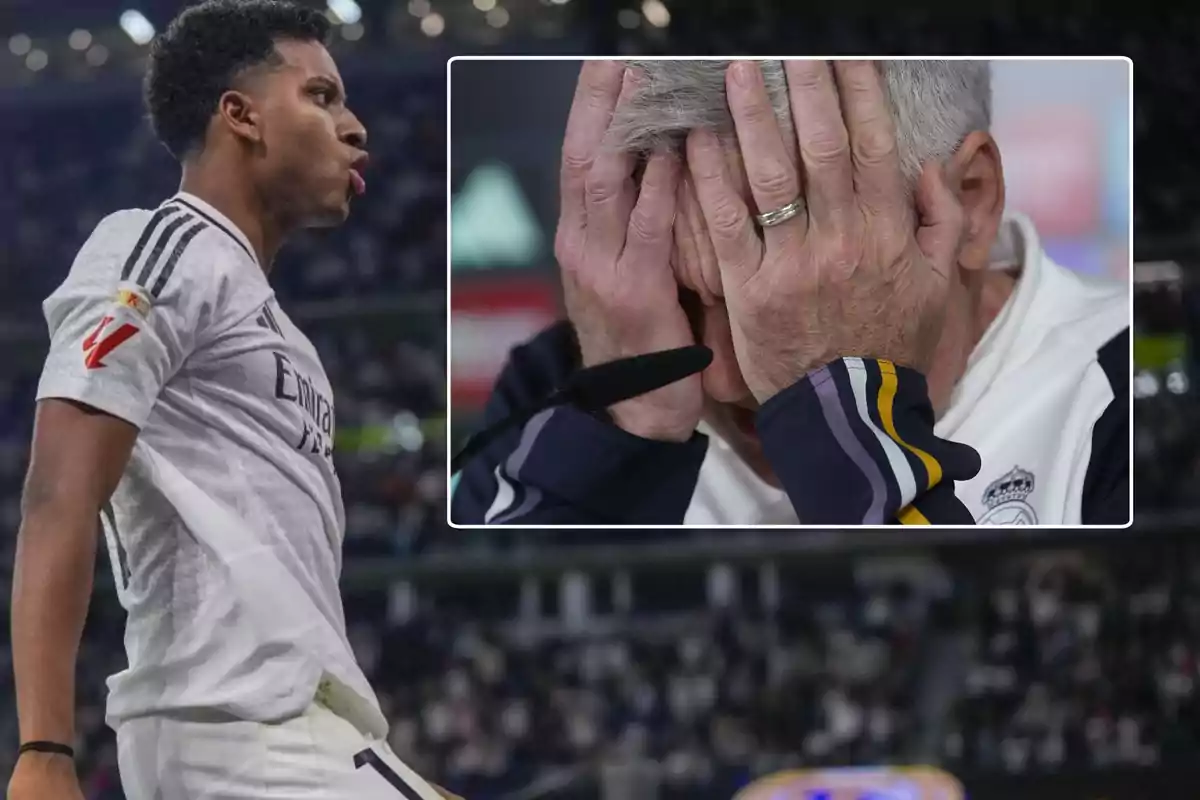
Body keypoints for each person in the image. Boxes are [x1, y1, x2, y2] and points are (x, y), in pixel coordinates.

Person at [7, 2, 453, 799]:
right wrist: (43, 748)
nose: (354, 127)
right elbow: (58, 491)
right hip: (246, 728)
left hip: (266, 735)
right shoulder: (168, 246)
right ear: (240, 116)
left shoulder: (272, 321)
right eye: (320, 96)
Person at [452, 60, 1129, 526]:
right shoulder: (569, 390)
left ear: (968, 204)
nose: (718, 378)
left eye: (795, 278)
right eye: (682, 292)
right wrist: (622, 440)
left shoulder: (1127, 400)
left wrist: (845, 425)